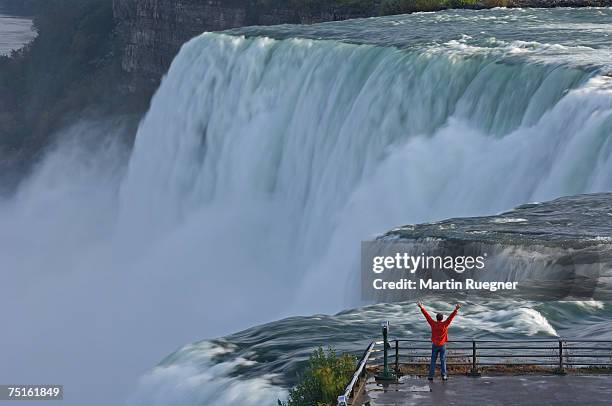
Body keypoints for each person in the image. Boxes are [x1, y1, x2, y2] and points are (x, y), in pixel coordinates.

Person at [417, 302, 461, 381]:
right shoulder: (445, 324)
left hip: (435, 344)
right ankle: (444, 375)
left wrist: (421, 307)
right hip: (442, 345)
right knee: (443, 360)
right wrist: (456, 309)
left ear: (436, 318)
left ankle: (431, 376)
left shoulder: (433, 324)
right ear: (442, 318)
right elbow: (451, 317)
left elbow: (427, 316)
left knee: (433, 360)